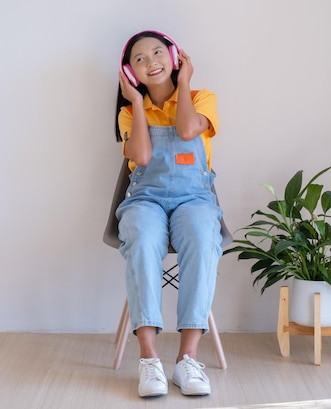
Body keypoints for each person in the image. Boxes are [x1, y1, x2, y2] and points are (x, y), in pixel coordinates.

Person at [114, 30, 222, 398]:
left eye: (158, 52)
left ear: (175, 56)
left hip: (195, 199)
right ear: (130, 72)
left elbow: (189, 129)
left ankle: (187, 360)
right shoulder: (129, 113)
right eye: (139, 59)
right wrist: (139, 103)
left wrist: (185, 82)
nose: (151, 62)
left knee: (202, 235)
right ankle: (149, 362)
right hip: (146, 200)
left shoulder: (201, 99)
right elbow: (141, 157)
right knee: (142, 237)